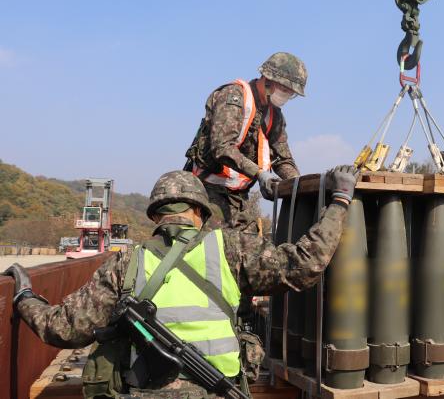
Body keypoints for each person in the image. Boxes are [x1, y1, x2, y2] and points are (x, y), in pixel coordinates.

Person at [4, 166, 358, 398]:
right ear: (200, 212)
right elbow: (304, 264)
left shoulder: (126, 262)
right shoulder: (229, 249)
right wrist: (340, 201)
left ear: (156, 215)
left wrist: (23, 296)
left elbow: (64, 329)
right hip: (218, 391)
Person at [185, 52, 305, 225]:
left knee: (251, 246)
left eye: (291, 93)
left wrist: (298, 185)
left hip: (238, 196)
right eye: (285, 89)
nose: (286, 96)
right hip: (205, 190)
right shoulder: (234, 97)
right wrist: (260, 174)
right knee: (212, 246)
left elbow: (283, 159)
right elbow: (222, 147)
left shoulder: (274, 116)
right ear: (268, 79)